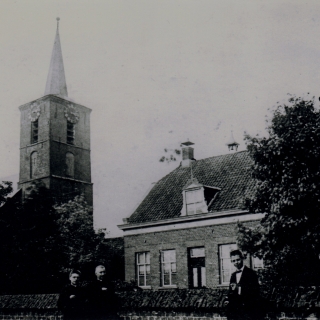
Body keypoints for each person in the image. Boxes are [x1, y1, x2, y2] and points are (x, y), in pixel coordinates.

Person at [226, 249, 262, 320]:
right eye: (233, 261)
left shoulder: (251, 273)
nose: (236, 262)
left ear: (242, 258)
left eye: (238, 260)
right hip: (236, 314)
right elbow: (231, 292)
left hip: (248, 313)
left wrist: (239, 288)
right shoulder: (233, 275)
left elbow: (255, 291)